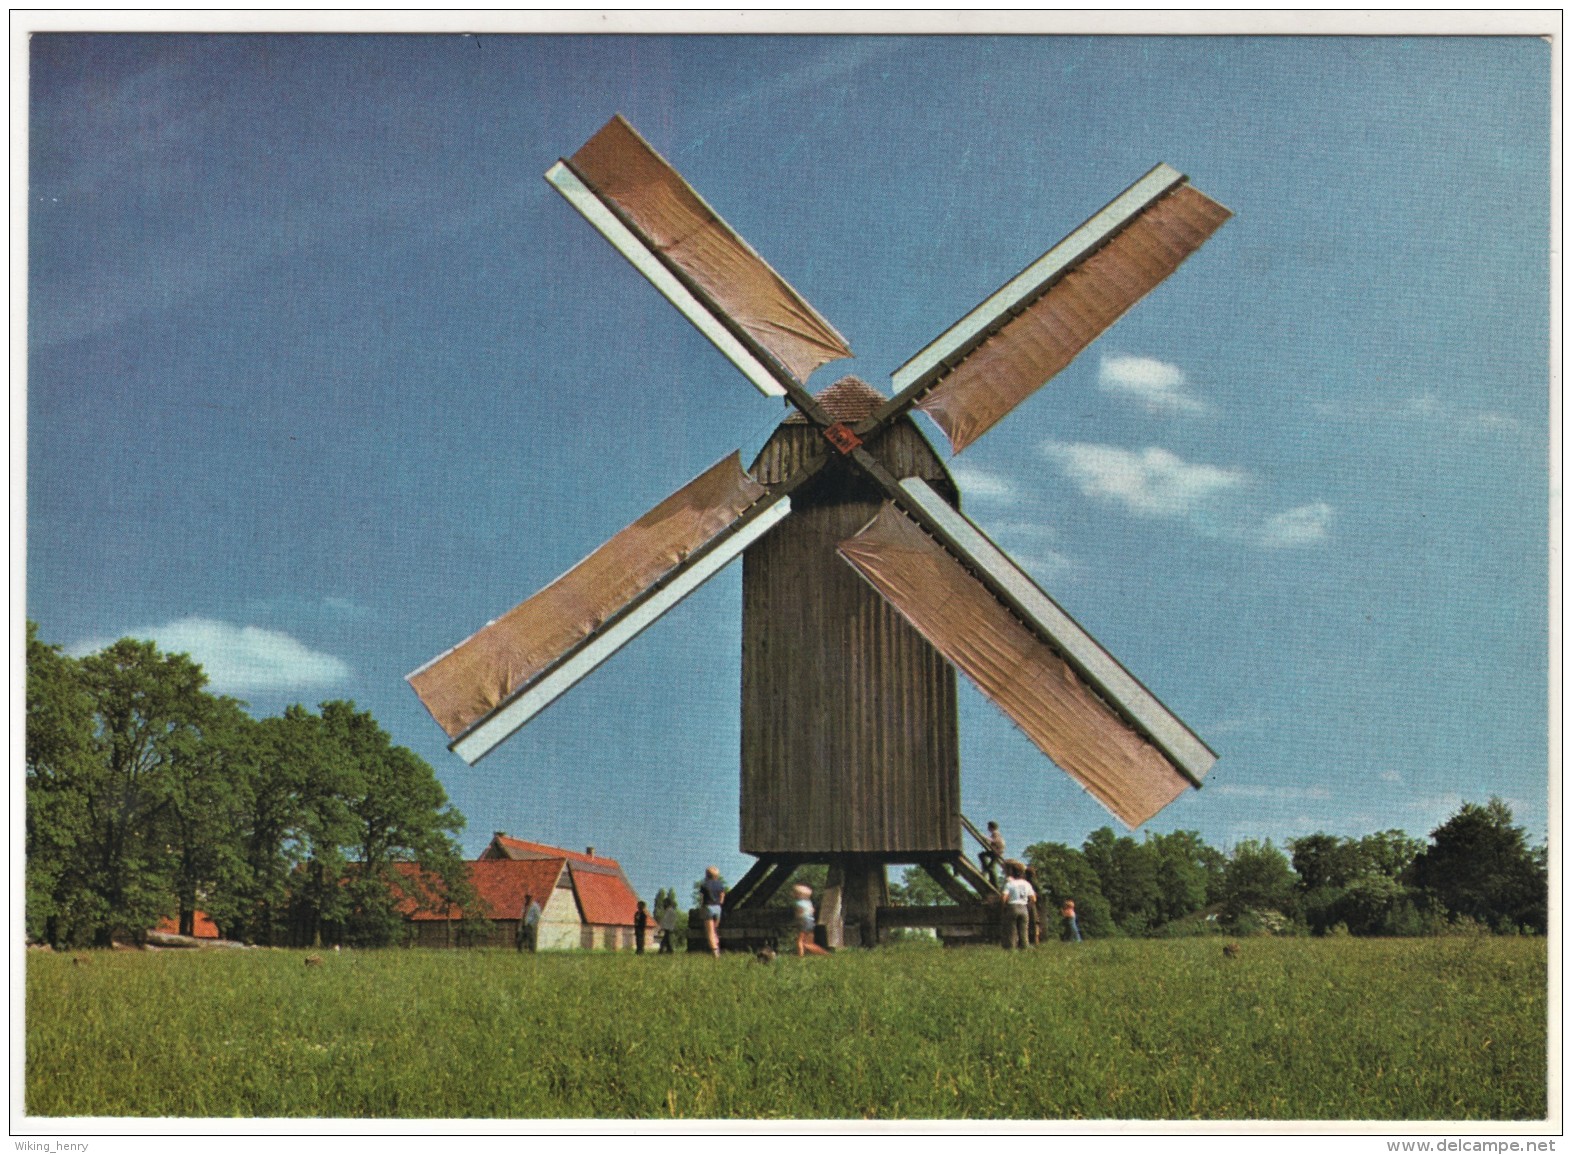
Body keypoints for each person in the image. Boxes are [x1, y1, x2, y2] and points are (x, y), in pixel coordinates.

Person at [1000, 861, 1036, 950]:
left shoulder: (1010, 884)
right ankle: (1024, 947)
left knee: (1012, 930)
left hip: (1012, 906)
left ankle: (1011, 948)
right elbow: (1033, 898)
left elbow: (1004, 897)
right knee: (1023, 930)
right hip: (1023, 907)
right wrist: (1028, 906)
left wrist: (1004, 907)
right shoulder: (1026, 884)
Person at [791, 883, 830, 957]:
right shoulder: (808, 902)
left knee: (800, 941)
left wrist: (797, 920)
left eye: (794, 892)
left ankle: (800, 956)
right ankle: (825, 953)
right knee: (809, 942)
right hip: (811, 922)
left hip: (803, 922)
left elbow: (799, 914)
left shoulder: (798, 903)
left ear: (798, 894)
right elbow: (812, 911)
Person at [699, 866, 726, 957]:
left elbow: (701, 899)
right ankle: (717, 947)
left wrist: (701, 907)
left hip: (708, 907)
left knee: (710, 931)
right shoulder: (720, 884)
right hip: (718, 908)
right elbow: (722, 897)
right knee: (715, 930)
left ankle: (715, 952)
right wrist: (719, 903)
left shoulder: (704, 885)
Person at [1022, 864, 1044, 945]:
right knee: (1035, 923)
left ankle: (1033, 941)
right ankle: (1035, 941)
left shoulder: (1028, 882)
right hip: (1034, 904)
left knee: (1032, 923)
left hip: (1030, 904)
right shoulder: (1033, 882)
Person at [980, 821, 1005, 886]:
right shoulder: (995, 833)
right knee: (990, 865)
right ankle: (986, 871)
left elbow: (995, 840)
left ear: (991, 827)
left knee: (990, 867)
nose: (987, 828)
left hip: (997, 852)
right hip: (997, 851)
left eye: (988, 827)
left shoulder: (995, 833)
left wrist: (985, 837)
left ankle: (995, 884)